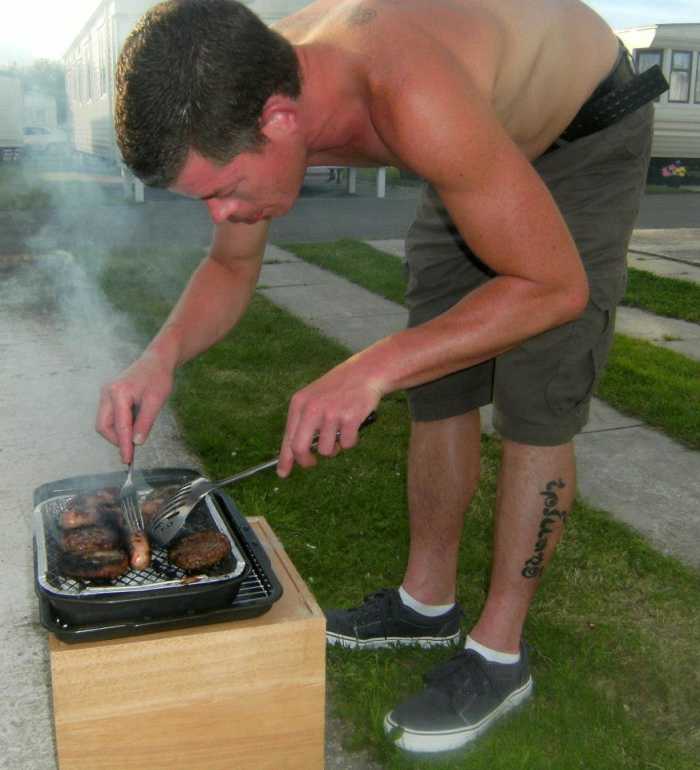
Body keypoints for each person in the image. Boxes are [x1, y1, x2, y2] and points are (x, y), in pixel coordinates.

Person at [97, 0, 667, 754]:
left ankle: (501, 653)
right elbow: (232, 265)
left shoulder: (408, 93)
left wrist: (371, 367)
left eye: (224, 189)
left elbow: (554, 285)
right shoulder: (250, 78)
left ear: (279, 120)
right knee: (439, 381)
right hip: (477, 138)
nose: (223, 213)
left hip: (582, 130)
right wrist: (157, 357)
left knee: (537, 398)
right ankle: (425, 603)